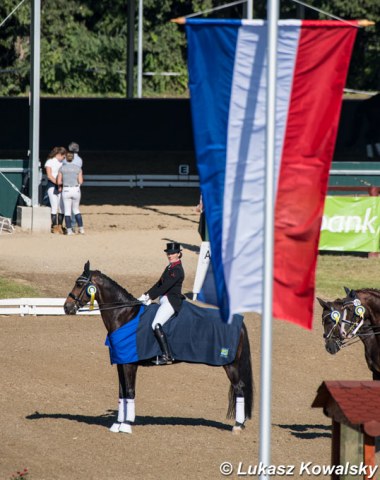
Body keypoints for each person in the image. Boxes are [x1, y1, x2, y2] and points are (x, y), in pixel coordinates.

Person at [138, 242, 185, 365]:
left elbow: (164, 287)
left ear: (179, 254)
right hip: (163, 299)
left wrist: (150, 297)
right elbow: (159, 283)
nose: (170, 255)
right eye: (168, 253)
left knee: (156, 324)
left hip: (171, 301)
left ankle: (167, 356)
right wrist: (146, 294)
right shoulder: (169, 267)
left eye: (173, 253)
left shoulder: (177, 270)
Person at [57, 152, 84, 235]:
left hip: (66, 190)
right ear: (73, 158)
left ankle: (69, 230)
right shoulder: (78, 168)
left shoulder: (62, 168)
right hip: (75, 189)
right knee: (76, 210)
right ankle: (81, 229)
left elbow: (59, 181)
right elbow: (80, 181)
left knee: (67, 211)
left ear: (66, 158)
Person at [45, 146, 66, 234]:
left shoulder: (63, 162)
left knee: (62, 207)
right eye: (63, 156)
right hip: (52, 185)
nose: (64, 158)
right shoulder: (49, 162)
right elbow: (49, 175)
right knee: (54, 206)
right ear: (59, 154)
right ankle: (54, 226)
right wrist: (58, 183)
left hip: (61, 185)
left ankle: (60, 225)